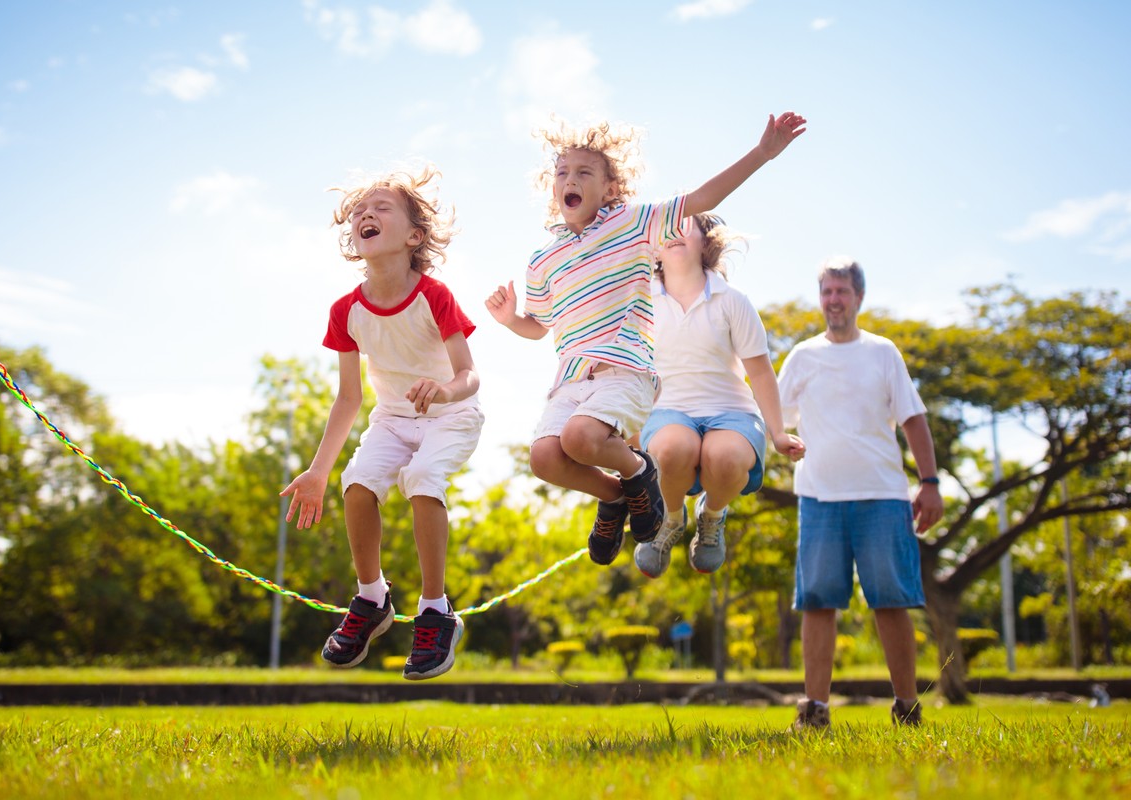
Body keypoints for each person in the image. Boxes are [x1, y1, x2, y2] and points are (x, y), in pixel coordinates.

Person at [486, 113, 806, 566]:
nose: (569, 180)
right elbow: (538, 326)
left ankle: (642, 471)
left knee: (580, 437)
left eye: (584, 173)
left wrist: (762, 154)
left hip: (626, 371)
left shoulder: (633, 224)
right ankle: (617, 496)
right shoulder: (543, 260)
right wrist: (509, 319)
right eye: (561, 173)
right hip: (573, 379)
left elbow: (701, 199)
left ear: (610, 189)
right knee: (544, 457)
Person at [281, 167, 482, 681]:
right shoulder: (346, 311)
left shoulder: (434, 296)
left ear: (414, 236)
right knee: (356, 483)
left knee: (420, 480)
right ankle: (372, 599)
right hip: (392, 418)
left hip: (451, 415)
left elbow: (468, 374)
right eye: (358, 212)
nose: (365, 214)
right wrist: (317, 471)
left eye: (381, 207)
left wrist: (443, 391)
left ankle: (436, 610)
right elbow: (349, 398)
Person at [777, 257, 944, 729]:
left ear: (859, 297)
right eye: (827, 291)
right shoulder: (802, 356)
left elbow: (913, 419)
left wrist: (929, 483)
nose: (834, 300)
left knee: (891, 600)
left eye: (842, 291)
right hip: (818, 497)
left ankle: (907, 707)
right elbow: (774, 416)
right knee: (817, 601)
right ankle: (815, 709)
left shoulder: (883, 352)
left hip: (883, 495)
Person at [633, 213, 805, 580]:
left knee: (725, 458)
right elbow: (624, 367)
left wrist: (777, 433)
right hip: (668, 410)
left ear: (705, 242)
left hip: (732, 413)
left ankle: (711, 517)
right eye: (667, 228)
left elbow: (759, 371)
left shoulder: (732, 301)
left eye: (685, 225)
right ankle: (672, 519)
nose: (675, 233)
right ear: (655, 248)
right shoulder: (640, 300)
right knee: (672, 450)